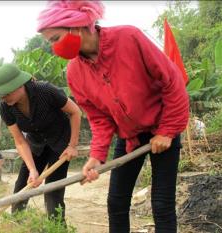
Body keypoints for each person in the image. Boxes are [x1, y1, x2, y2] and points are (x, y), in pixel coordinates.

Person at [37, 1, 190, 232]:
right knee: (116, 202)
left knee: (161, 203)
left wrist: (167, 131)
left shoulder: (129, 38)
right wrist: (97, 156)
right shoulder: (75, 72)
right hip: (130, 139)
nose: (54, 48)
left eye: (55, 39)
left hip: (162, 127)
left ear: (76, 27)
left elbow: (173, 81)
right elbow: (99, 119)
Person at [0, 63, 82, 223]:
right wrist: (32, 170)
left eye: (5, 93)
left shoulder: (45, 91)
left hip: (60, 143)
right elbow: (20, 141)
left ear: (18, 85)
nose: (2, 98)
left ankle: (57, 227)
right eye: (0, 95)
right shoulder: (6, 108)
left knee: (53, 190)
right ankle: (16, 224)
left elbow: (75, 111)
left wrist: (72, 145)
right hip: (35, 144)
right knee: (22, 185)